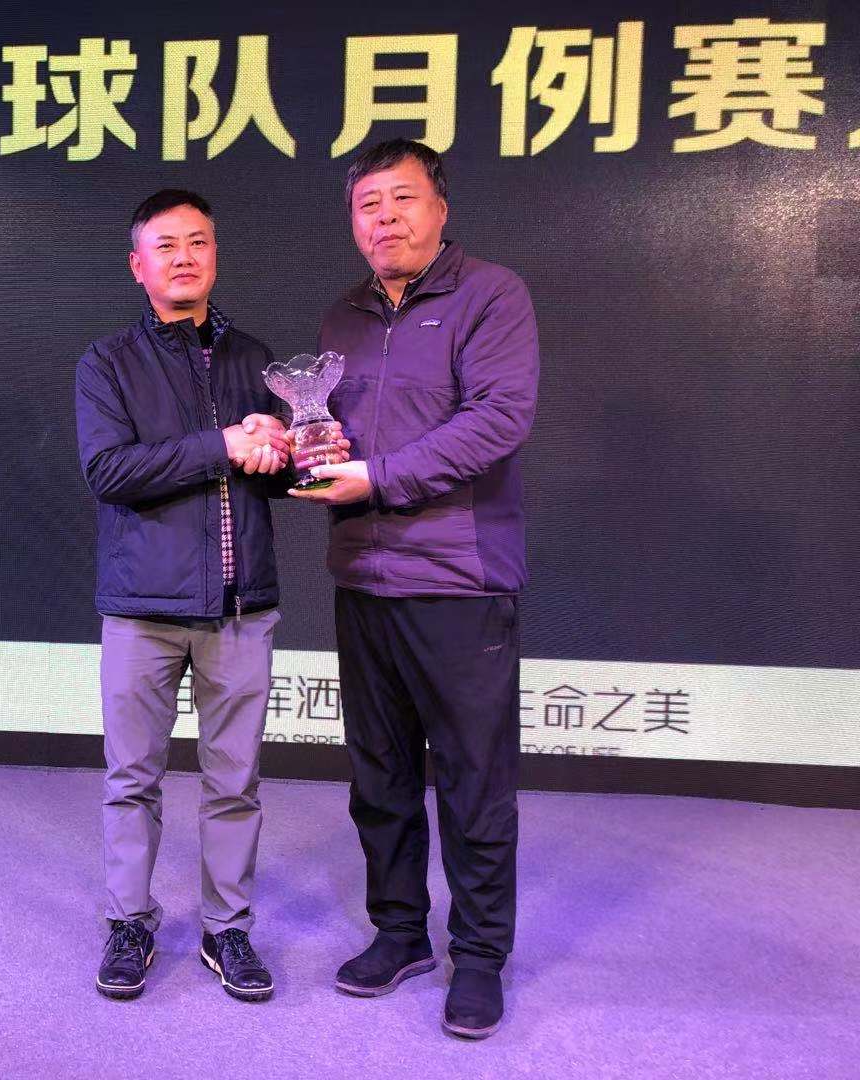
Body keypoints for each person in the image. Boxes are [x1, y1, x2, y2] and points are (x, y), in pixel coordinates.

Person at [291, 139, 540, 1038]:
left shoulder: (491, 295)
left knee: (474, 781)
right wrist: (298, 446)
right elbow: (334, 435)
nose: (385, 217)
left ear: (440, 209)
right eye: (368, 204)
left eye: (403, 198)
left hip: (458, 578)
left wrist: (377, 478)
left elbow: (499, 420)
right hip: (363, 575)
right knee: (380, 774)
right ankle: (399, 933)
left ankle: (480, 957)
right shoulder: (343, 317)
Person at [75, 189, 293, 1002]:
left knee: (235, 785)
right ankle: (129, 923)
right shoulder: (107, 362)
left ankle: (226, 929)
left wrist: (288, 452)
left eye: (198, 242)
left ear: (215, 255)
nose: (183, 257)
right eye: (165, 246)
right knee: (131, 780)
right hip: (142, 610)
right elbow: (109, 472)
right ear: (139, 266)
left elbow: (269, 478)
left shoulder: (256, 359)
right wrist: (224, 443)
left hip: (241, 608)